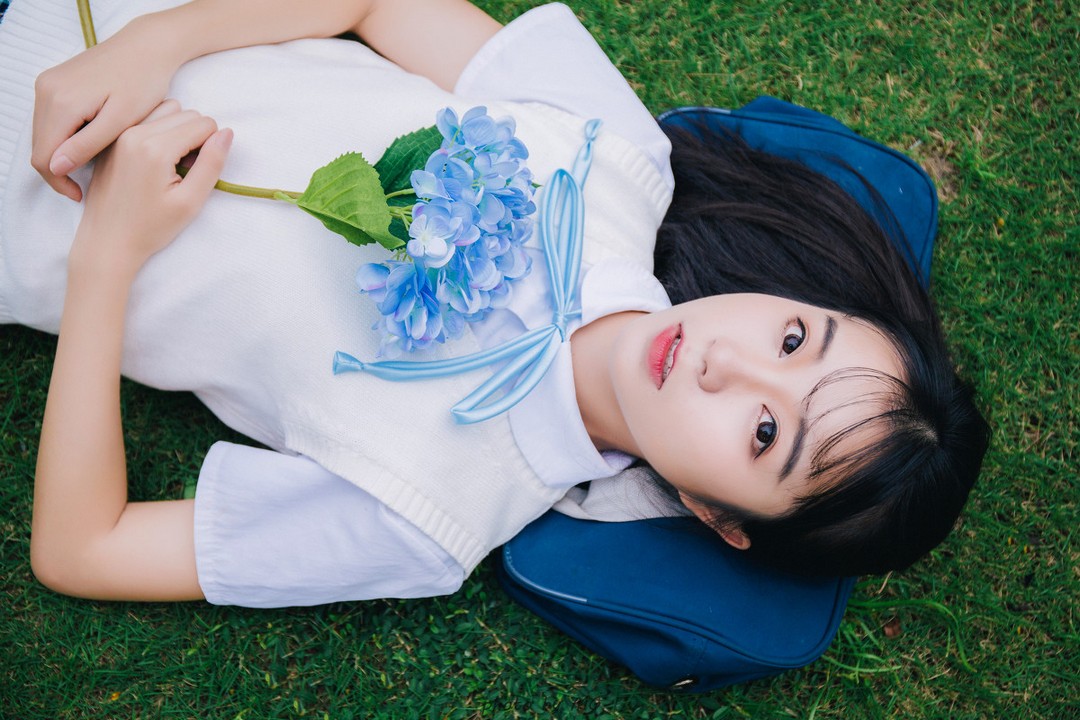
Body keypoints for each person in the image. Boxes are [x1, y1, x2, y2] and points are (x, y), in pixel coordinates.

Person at [0, 0, 989, 607]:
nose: (725, 362)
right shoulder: (619, 158)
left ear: (717, 516)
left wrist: (106, 255)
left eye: (767, 434)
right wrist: (156, 40)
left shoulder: (431, 515)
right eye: (794, 336)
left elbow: (85, 548)